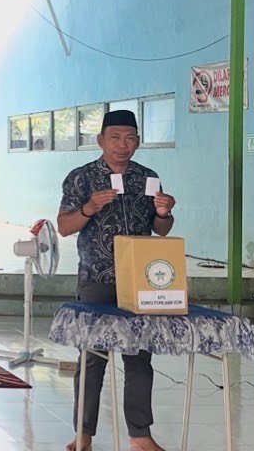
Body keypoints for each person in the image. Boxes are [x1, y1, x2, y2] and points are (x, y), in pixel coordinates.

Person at [56, 110, 176, 451]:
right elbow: (64, 227)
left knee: (139, 355)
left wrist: (165, 212)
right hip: (97, 278)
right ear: (101, 140)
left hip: (139, 281)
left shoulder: (148, 177)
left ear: (137, 142)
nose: (122, 145)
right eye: (115, 138)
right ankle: (83, 434)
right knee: (93, 356)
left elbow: (161, 229)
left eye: (130, 138)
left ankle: (140, 436)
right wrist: (89, 208)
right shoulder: (81, 178)